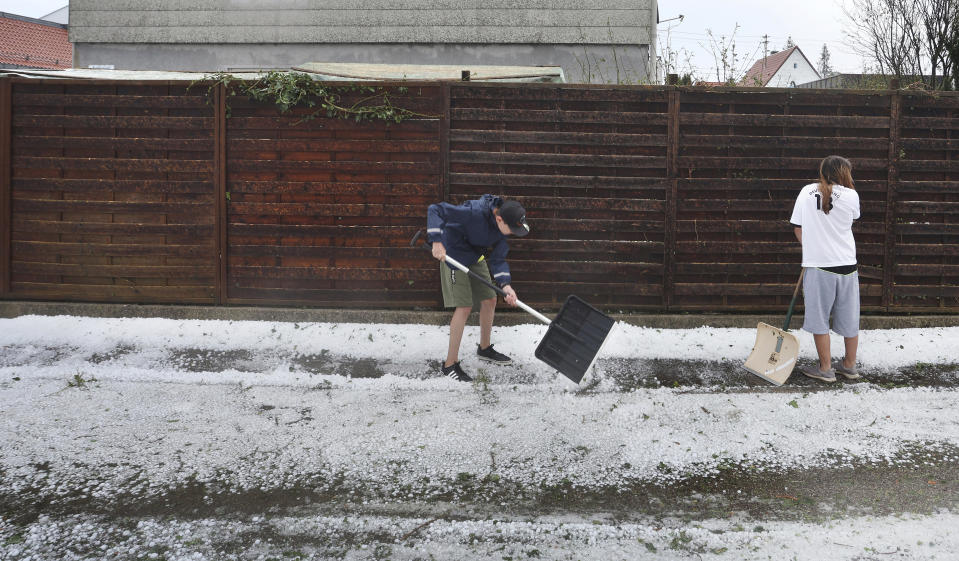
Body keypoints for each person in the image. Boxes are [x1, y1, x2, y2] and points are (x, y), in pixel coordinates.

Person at [426, 195, 530, 382]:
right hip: (453, 255)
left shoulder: (500, 229)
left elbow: (498, 259)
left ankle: (484, 349)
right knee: (464, 307)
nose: (512, 233)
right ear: (499, 219)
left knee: (490, 299)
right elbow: (435, 209)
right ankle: (449, 364)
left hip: (474, 256)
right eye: (512, 228)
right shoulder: (473, 213)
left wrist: (506, 285)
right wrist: (436, 240)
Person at [789, 155, 862, 383]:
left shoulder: (806, 191)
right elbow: (851, 220)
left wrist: (811, 248)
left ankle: (826, 368)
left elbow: (797, 227)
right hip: (848, 264)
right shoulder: (852, 195)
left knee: (819, 317)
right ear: (845, 173)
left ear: (823, 171)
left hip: (819, 265)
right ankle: (849, 366)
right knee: (850, 317)